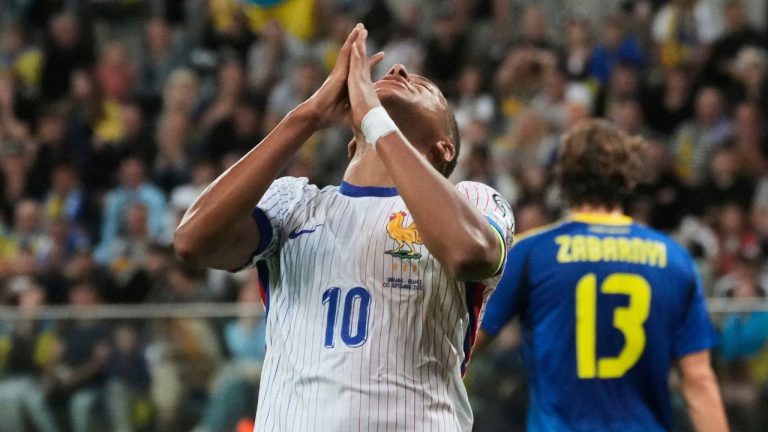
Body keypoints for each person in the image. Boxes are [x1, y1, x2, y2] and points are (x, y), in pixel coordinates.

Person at [174, 24, 514, 431]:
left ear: (444, 148)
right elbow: (192, 241)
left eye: (423, 85)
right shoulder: (295, 203)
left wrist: (375, 118)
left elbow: (468, 253)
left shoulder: (474, 200)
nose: (400, 69)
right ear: (353, 143)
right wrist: (305, 117)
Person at [477, 119, 728, 431]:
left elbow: (467, 343)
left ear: (562, 177)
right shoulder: (674, 259)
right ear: (627, 178)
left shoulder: (532, 254)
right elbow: (699, 380)